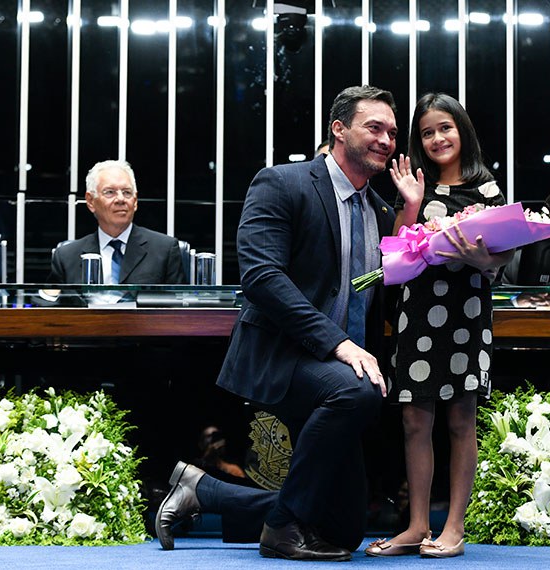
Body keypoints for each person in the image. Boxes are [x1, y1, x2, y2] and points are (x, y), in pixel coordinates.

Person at [155, 85, 398, 561]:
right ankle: (280, 528)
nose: (386, 139)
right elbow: (262, 277)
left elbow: (373, 291)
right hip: (283, 355)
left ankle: (204, 493)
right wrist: (339, 346)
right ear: (339, 129)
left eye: (392, 131)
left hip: (336, 368)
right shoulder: (282, 182)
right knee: (358, 391)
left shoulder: (380, 210)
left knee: (343, 529)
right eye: (374, 127)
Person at [364, 93, 513, 559]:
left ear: (461, 130)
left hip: (465, 313)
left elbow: (501, 264)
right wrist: (410, 203)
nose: (437, 138)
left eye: (444, 128)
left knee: (460, 420)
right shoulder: (414, 184)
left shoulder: (488, 190)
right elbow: (392, 253)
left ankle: (454, 528)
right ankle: (416, 526)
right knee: (413, 419)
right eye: (427, 132)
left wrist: (479, 258)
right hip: (415, 312)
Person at [47, 160, 185, 284]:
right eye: (110, 192)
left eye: (126, 192)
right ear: (90, 201)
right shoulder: (66, 256)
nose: (120, 199)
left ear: (135, 201)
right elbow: (46, 304)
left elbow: (179, 307)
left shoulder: (164, 250)